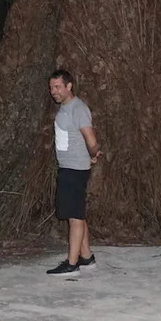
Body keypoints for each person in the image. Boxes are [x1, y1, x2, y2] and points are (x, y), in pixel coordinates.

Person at [46, 69, 101, 276]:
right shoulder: (65, 108)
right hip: (68, 166)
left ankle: (72, 263)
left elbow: (91, 139)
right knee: (75, 213)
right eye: (51, 87)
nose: (54, 91)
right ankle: (86, 257)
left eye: (58, 87)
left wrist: (93, 153)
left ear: (69, 86)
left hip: (75, 169)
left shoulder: (78, 108)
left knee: (74, 217)